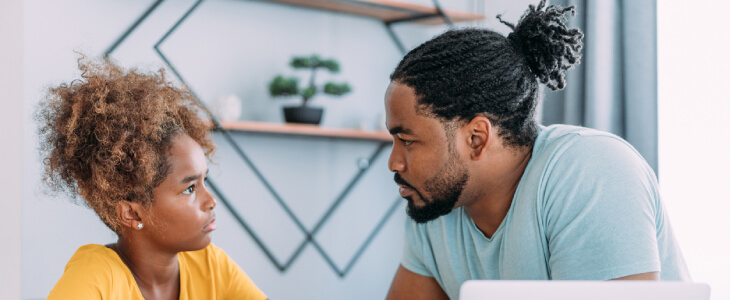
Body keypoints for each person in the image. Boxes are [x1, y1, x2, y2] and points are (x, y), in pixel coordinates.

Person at [383, 1, 690, 299]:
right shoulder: (436, 202)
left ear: (476, 138)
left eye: (407, 140)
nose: (394, 163)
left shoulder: (590, 171)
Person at [38, 57, 266, 299]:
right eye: (190, 188)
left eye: (204, 182)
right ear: (132, 213)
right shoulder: (96, 275)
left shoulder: (211, 267)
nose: (211, 201)